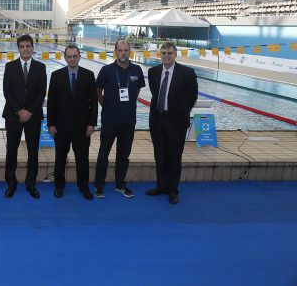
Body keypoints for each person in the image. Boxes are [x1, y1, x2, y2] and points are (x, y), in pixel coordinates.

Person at [147, 42, 198, 204]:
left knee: (174, 156)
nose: (166, 56)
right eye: (164, 53)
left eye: (170, 53)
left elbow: (192, 96)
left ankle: (173, 190)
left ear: (175, 54)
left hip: (176, 122)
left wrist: (180, 112)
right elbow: (155, 93)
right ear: (160, 54)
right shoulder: (153, 72)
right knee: (160, 155)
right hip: (158, 119)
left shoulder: (187, 73)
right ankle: (161, 186)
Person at [93, 40, 145, 199]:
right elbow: (98, 91)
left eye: (126, 50)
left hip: (128, 120)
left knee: (123, 155)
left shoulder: (137, 70)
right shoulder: (106, 70)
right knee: (103, 154)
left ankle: (120, 185)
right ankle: (99, 186)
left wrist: (126, 105)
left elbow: (136, 91)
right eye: (120, 50)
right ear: (115, 52)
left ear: (130, 51)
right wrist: (107, 105)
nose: (123, 53)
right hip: (109, 120)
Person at [47, 44, 97, 200]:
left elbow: (94, 102)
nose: (72, 59)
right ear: (65, 58)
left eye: (75, 56)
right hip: (61, 126)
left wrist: (92, 124)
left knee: (82, 159)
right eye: (69, 56)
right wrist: (51, 124)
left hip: (82, 127)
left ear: (79, 57)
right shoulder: (56, 75)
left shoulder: (89, 75)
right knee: (60, 158)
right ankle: (59, 186)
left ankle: (83, 186)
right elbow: (51, 102)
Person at [2, 34, 47, 199]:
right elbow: (7, 91)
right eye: (22, 46)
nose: (25, 49)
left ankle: (31, 184)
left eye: (28, 46)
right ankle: (11, 183)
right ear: (18, 49)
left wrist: (29, 111)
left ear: (32, 48)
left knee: (33, 151)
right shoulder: (10, 66)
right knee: (11, 150)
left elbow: (41, 93)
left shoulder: (40, 67)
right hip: (13, 116)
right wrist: (19, 111)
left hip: (33, 116)